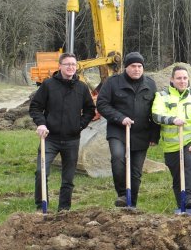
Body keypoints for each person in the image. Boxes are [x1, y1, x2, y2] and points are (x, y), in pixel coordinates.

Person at [29, 53, 96, 211]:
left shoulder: (81, 87)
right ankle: (41, 206)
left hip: (71, 140)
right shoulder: (48, 85)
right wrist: (41, 124)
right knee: (41, 172)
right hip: (50, 138)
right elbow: (35, 107)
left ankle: (64, 210)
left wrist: (79, 125)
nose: (71, 67)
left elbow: (90, 109)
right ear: (60, 66)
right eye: (67, 64)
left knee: (68, 178)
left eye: (73, 64)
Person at [96, 51, 159, 207]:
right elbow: (102, 104)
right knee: (118, 158)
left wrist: (154, 135)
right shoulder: (113, 82)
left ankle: (132, 205)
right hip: (118, 131)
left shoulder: (150, 84)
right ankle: (123, 194)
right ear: (126, 67)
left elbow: (156, 111)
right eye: (133, 66)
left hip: (141, 133)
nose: (136, 69)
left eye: (139, 66)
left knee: (136, 171)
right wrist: (120, 118)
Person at [152, 65, 191, 210]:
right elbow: (156, 115)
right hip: (172, 145)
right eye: (179, 78)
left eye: (185, 78)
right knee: (178, 176)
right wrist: (172, 120)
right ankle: (182, 208)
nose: (182, 81)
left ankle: (190, 198)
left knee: (189, 161)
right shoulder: (162, 96)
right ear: (172, 80)